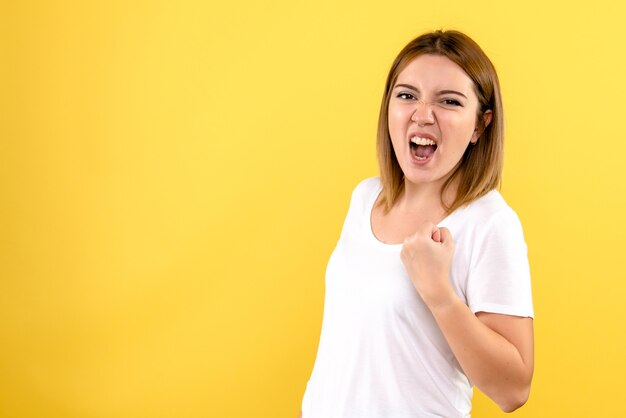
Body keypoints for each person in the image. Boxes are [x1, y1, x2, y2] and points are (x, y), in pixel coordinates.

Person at [299, 30, 534, 418]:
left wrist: (439, 295)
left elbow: (513, 389)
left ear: (480, 125)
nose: (422, 114)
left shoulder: (489, 223)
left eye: (449, 101)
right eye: (407, 95)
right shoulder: (365, 198)